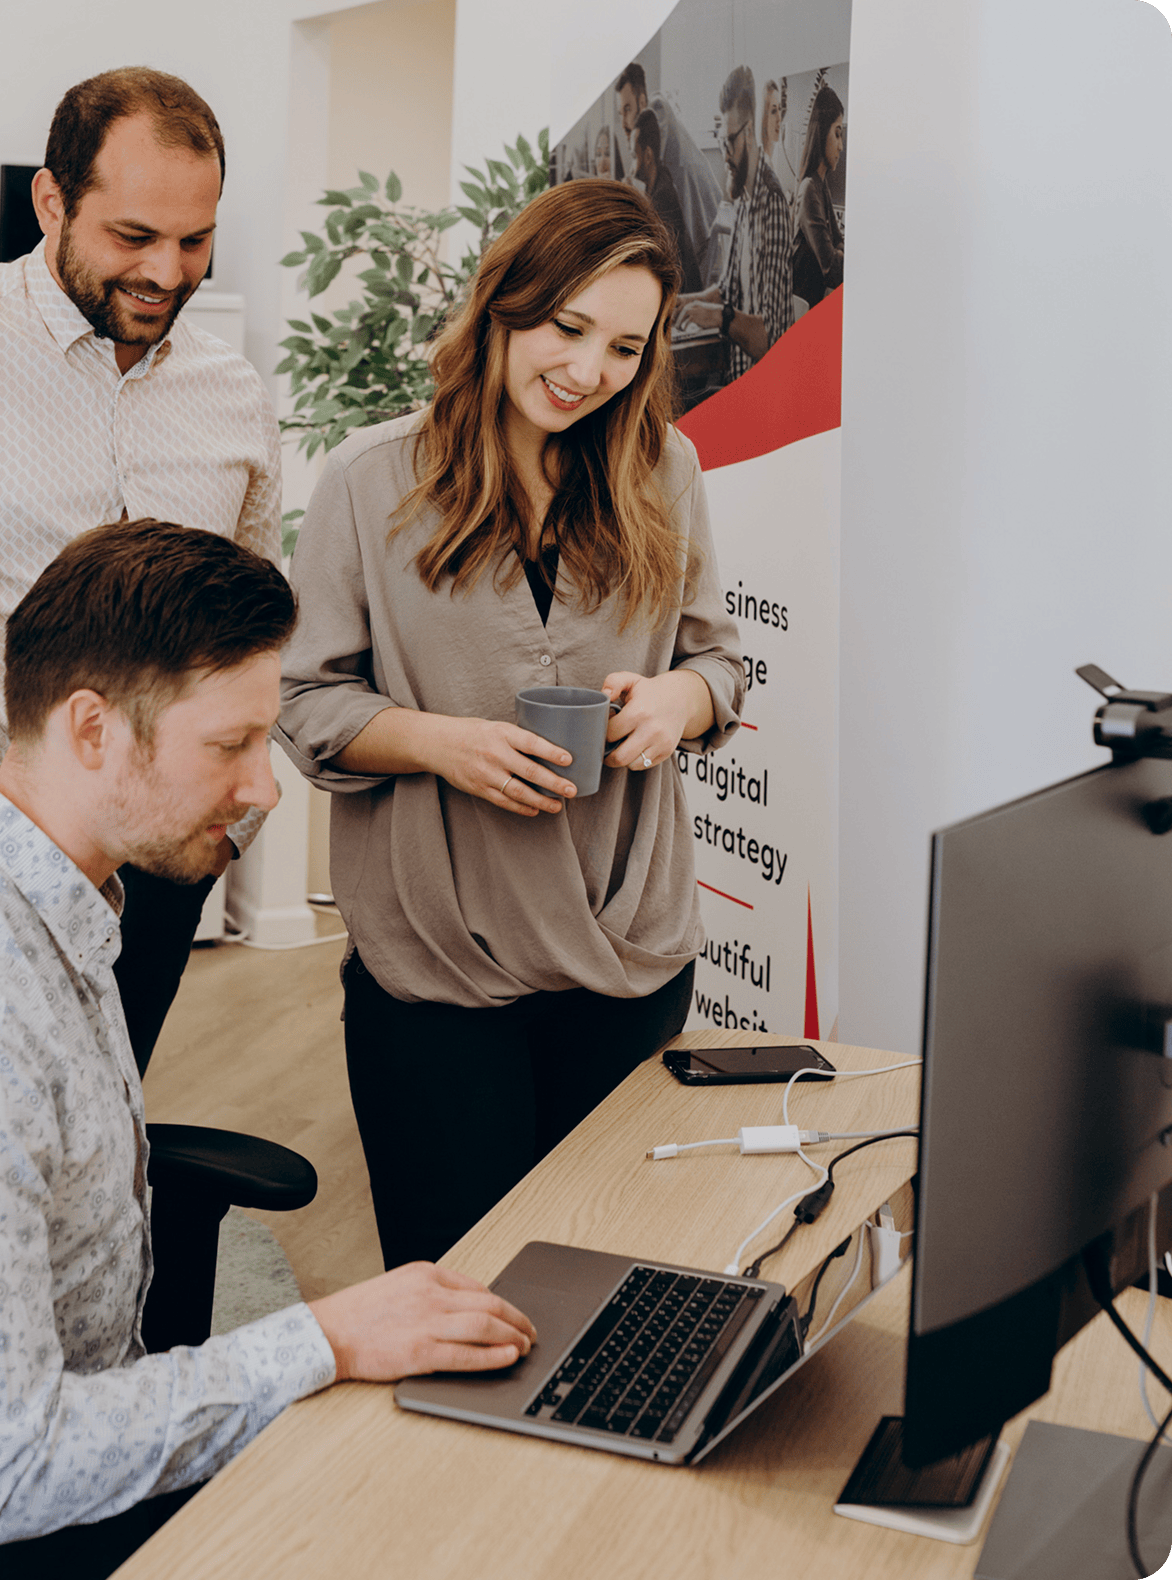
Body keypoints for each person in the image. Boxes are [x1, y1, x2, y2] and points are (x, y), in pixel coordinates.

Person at [0, 520, 535, 1580]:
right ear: (93, 729)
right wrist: (324, 1338)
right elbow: (19, 1465)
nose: (265, 785)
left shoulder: (70, 901)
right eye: (230, 744)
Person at [277, 180, 744, 1272]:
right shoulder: (366, 480)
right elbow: (302, 702)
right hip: (440, 964)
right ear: (501, 303)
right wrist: (440, 742)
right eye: (565, 327)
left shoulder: (663, 470)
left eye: (625, 348)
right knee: (460, 1291)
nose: (587, 372)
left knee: (603, 1278)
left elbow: (715, 658)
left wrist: (683, 701)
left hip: (626, 949)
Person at [0, 67, 283, 1075]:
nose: (167, 270)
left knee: (114, 1117)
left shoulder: (232, 394)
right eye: (132, 238)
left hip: (165, 850)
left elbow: (253, 620)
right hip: (9, 854)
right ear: (51, 202)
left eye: (195, 240)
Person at [672, 66, 794, 383]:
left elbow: (773, 339)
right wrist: (685, 303)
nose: (725, 155)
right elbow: (727, 289)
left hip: (765, 388)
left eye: (729, 143)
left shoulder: (773, 206)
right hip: (736, 376)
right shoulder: (743, 202)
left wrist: (719, 317)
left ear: (750, 133)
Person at [615, 61, 723, 286]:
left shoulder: (657, 110)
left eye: (628, 109)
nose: (624, 122)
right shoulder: (646, 134)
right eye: (620, 113)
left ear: (642, 102)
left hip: (705, 225)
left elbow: (652, 161)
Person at [632, 109, 702, 294]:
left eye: (634, 156)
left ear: (647, 156)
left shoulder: (663, 198)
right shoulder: (658, 183)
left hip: (682, 294)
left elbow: (659, 261)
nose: (631, 167)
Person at [792, 82, 846, 309]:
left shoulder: (821, 186)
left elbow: (838, 240)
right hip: (799, 311)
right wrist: (839, 253)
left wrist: (839, 251)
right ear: (823, 132)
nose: (841, 146)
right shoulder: (809, 190)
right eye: (837, 134)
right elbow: (833, 270)